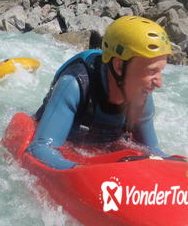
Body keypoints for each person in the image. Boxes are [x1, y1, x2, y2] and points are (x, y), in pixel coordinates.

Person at [28, 16, 172, 169]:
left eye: (160, 71)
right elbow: (41, 148)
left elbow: (152, 150)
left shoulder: (141, 96)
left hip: (102, 151)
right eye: (151, 71)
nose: (159, 83)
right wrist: (82, 173)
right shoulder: (74, 85)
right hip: (67, 150)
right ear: (119, 66)